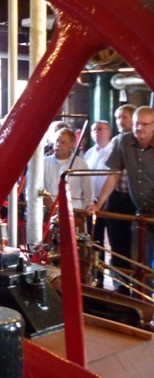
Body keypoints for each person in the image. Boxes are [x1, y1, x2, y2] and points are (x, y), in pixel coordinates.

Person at [86, 106, 154, 279]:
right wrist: (99, 204)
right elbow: (114, 174)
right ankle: (137, 294)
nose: (140, 128)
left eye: (145, 124)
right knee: (140, 262)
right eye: (137, 124)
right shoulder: (124, 141)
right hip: (142, 211)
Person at [105, 104, 137, 291]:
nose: (120, 121)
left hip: (137, 200)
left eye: (124, 117)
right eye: (118, 118)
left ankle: (140, 288)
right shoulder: (118, 141)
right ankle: (120, 286)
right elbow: (113, 173)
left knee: (138, 245)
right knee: (118, 244)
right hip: (118, 198)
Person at [84, 120, 113, 286]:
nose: (97, 132)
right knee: (95, 241)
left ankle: (118, 282)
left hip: (110, 202)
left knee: (114, 242)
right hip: (92, 202)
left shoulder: (114, 151)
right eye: (94, 129)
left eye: (100, 129)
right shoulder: (89, 153)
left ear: (109, 132)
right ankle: (97, 278)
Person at [43, 128, 94, 214]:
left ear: (71, 145)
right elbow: (36, 185)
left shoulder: (80, 163)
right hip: (48, 212)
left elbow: (88, 189)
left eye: (63, 142)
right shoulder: (44, 162)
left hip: (73, 212)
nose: (58, 145)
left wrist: (83, 212)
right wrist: (45, 198)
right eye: (57, 141)